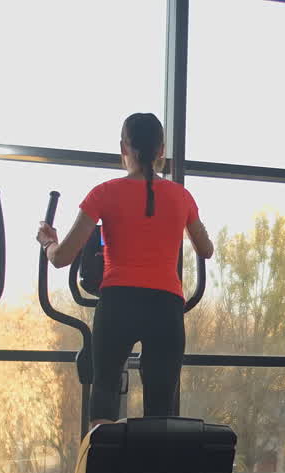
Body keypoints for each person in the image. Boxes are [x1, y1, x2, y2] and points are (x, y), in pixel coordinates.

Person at [37, 113, 214, 426]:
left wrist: (47, 242)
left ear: (123, 147)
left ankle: (99, 470)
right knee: (160, 409)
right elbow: (207, 250)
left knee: (104, 393)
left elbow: (61, 257)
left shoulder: (103, 193)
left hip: (118, 301)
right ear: (161, 151)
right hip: (165, 305)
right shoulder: (181, 197)